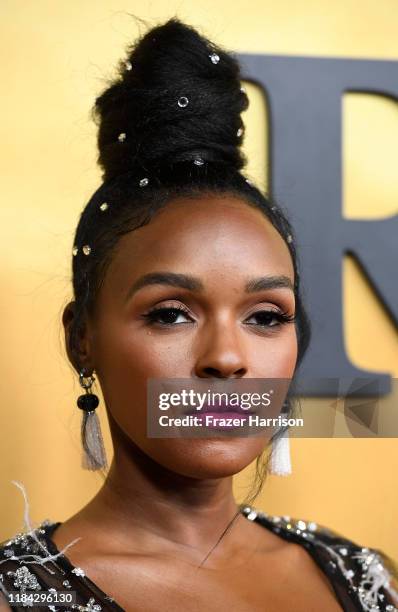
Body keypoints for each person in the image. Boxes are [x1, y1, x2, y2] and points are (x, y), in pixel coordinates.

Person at [1, 17, 397, 612]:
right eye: (170, 314)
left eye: (265, 316)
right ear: (82, 339)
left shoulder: (366, 576)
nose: (226, 359)